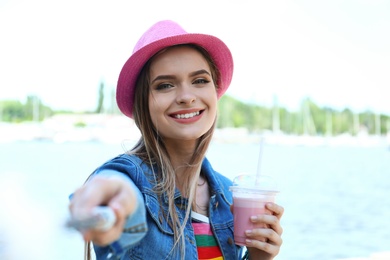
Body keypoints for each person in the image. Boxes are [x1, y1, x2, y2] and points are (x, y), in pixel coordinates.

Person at [69, 20, 284, 260]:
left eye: (200, 80)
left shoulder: (226, 192)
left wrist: (257, 256)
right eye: (165, 85)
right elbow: (117, 188)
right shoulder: (131, 179)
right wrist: (105, 197)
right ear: (144, 103)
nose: (186, 96)